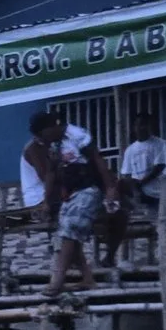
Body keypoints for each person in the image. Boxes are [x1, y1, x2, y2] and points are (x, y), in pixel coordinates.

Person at [23, 108, 103, 294]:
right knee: (68, 233)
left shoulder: (78, 136)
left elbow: (98, 160)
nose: (41, 140)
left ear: (50, 128)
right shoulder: (53, 145)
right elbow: (51, 173)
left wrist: (111, 189)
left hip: (88, 189)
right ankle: (88, 279)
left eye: (41, 135)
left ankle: (57, 281)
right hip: (70, 193)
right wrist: (46, 201)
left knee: (69, 230)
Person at [118, 111, 166, 267]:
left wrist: (141, 182)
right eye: (138, 124)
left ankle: (162, 258)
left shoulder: (159, 144)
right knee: (120, 187)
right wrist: (134, 188)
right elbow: (126, 174)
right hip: (140, 193)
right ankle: (124, 258)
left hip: (158, 192)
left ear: (150, 126)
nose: (141, 127)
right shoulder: (130, 150)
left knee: (165, 225)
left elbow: (160, 166)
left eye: (144, 124)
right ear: (134, 127)